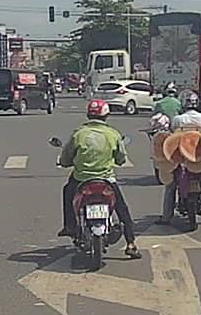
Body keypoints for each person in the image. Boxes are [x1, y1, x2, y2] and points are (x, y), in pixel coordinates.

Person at [58, 100, 140, 259]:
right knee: (122, 210)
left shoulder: (79, 134)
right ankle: (131, 244)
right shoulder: (113, 134)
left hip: (81, 179)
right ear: (106, 115)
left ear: (88, 115)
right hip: (106, 180)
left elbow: (66, 157)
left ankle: (70, 226)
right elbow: (121, 158)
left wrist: (65, 162)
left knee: (68, 191)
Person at [159, 92, 201, 225]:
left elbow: (172, 137)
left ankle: (166, 216)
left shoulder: (178, 120)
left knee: (170, 185)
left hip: (182, 160)